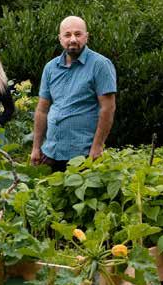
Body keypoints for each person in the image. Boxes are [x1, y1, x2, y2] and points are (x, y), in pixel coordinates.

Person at [30, 16, 117, 172]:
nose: (73, 39)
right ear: (60, 38)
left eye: (78, 34)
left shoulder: (100, 65)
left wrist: (97, 146)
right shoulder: (50, 68)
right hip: (51, 152)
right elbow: (42, 110)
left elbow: (107, 108)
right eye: (67, 34)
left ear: (86, 36)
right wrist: (36, 147)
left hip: (82, 155)